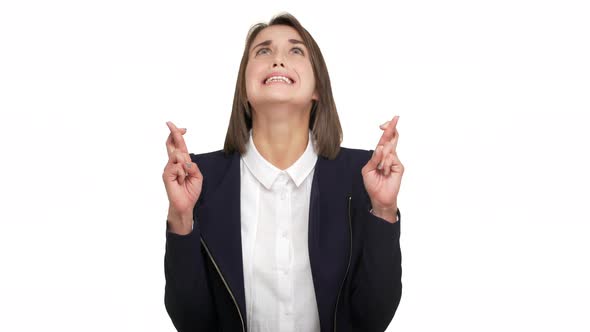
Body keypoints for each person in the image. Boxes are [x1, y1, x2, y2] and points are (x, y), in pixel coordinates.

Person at [162, 13, 403, 332]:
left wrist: (383, 211)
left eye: (295, 51)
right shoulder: (201, 178)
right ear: (245, 89)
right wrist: (181, 218)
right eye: (263, 51)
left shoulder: (361, 175)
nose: (277, 60)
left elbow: (371, 319)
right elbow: (192, 321)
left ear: (318, 87)